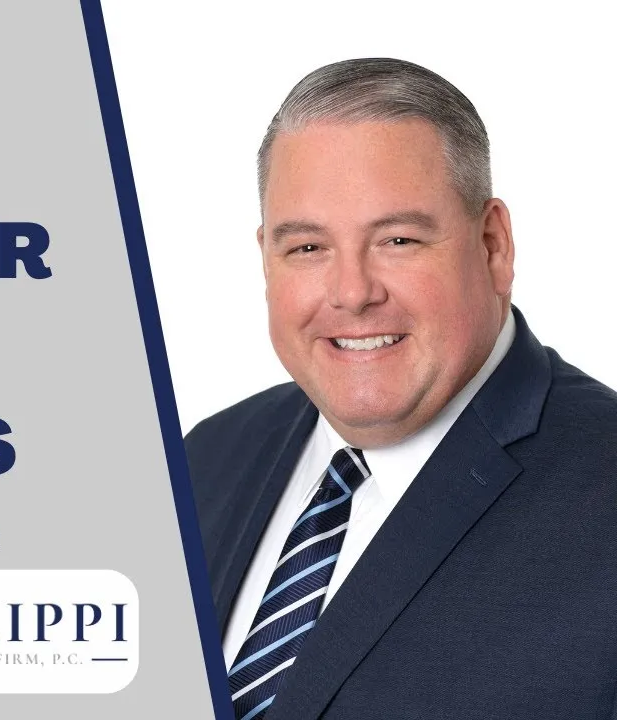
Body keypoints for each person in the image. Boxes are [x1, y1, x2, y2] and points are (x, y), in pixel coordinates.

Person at [183, 58, 617, 720]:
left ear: (493, 245)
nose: (352, 293)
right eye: (307, 248)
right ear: (266, 258)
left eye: (398, 239)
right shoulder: (207, 458)